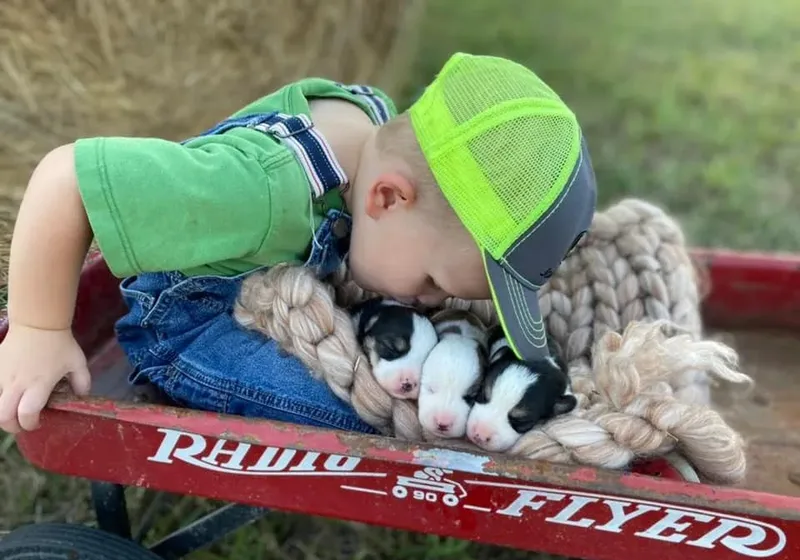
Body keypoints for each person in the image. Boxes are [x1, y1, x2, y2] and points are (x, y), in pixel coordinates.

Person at [0, 52, 596, 435]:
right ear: (386, 199)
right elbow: (66, 177)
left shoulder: (374, 130)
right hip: (189, 321)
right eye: (431, 285)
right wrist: (37, 331)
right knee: (373, 415)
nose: (424, 302)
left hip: (268, 286)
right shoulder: (258, 190)